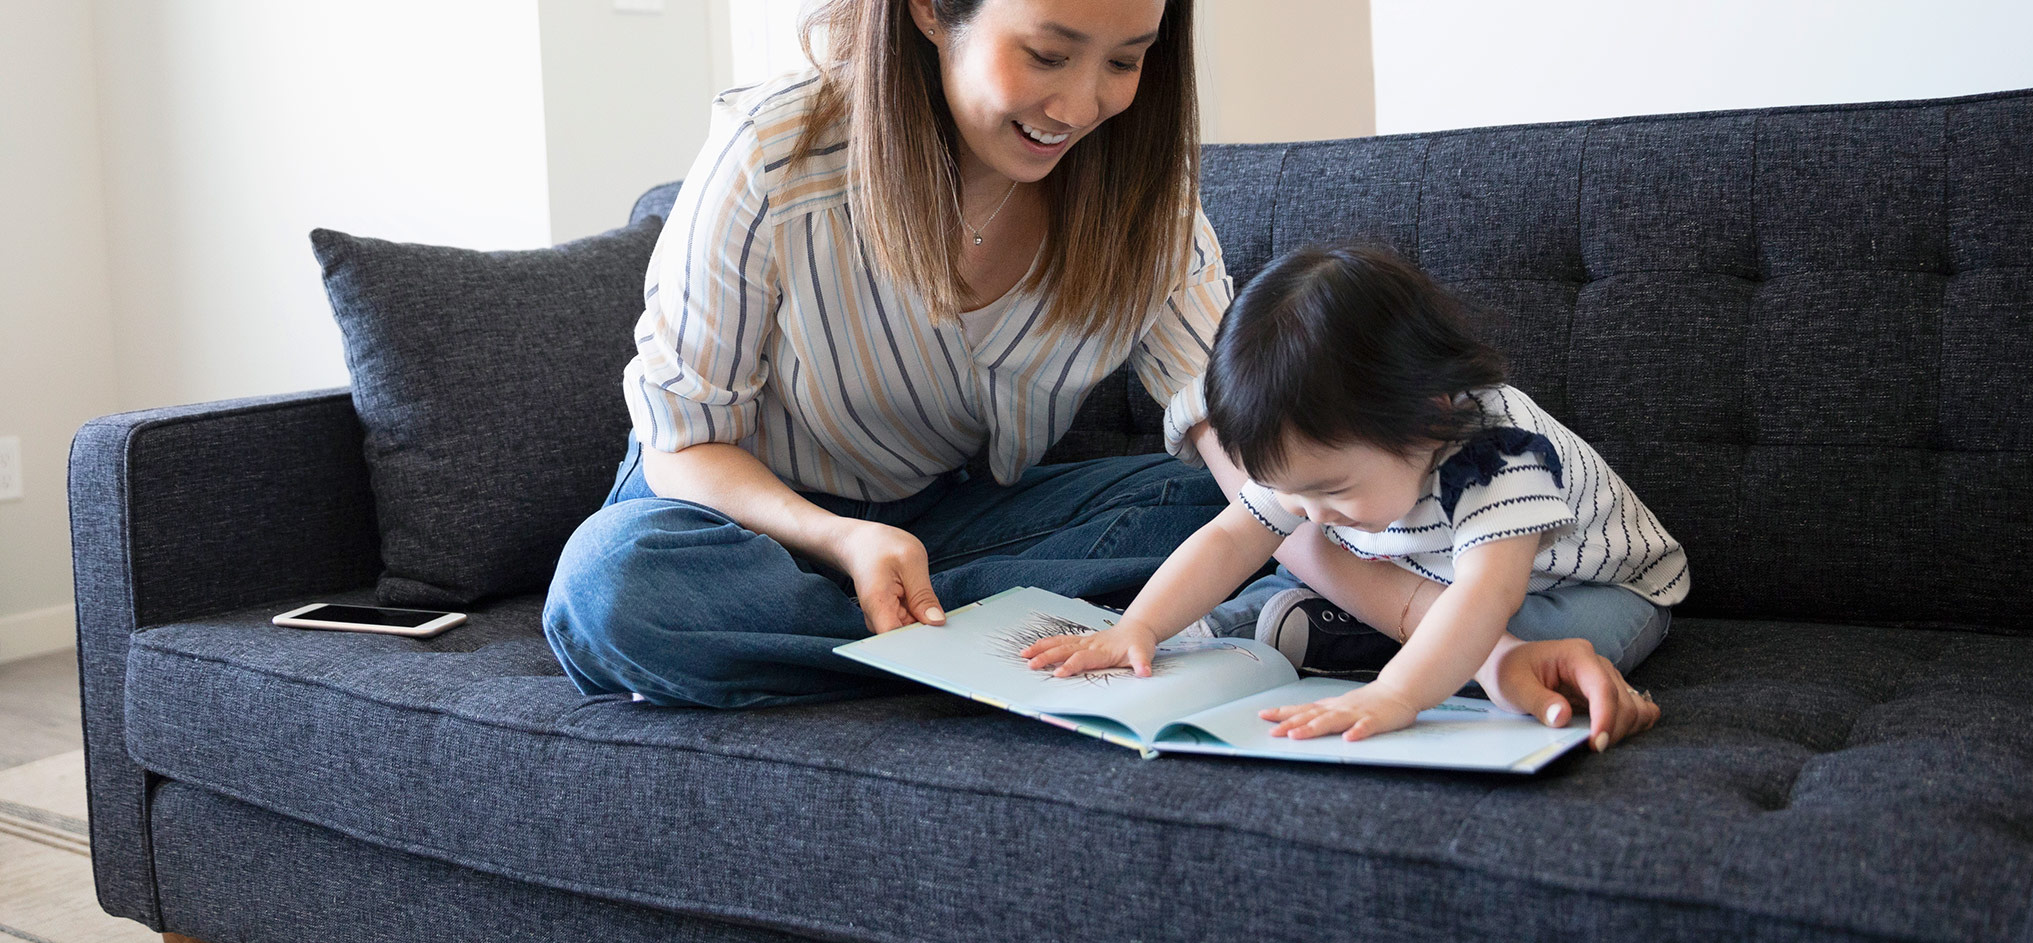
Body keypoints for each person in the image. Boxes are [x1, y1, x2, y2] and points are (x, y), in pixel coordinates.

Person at [543, 0, 1663, 746]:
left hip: (959, 527)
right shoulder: (775, 157)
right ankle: (994, 645)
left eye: (1125, 61)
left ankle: (1005, 634)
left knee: (1262, 495)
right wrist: (842, 540)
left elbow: (1245, 464)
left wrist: (1488, 650)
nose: (1081, 105)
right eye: (1048, 51)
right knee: (613, 588)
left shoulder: (1140, 199)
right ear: (934, 11)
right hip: (737, 525)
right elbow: (685, 442)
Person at [1023, 244, 1688, 746]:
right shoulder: (1320, 448)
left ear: (1426, 418)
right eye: (1295, 495)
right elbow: (1231, 537)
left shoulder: (1499, 454)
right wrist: (1137, 627)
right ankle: (1261, 627)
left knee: (1521, 648)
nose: (1309, 515)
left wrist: (1396, 696)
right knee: (1277, 562)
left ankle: (1357, 645)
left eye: (1331, 492)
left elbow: (1488, 596)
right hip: (1431, 573)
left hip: (1594, 588)